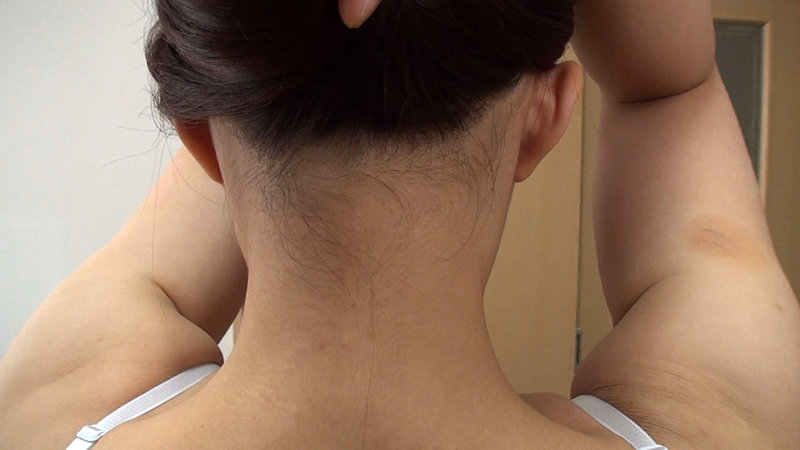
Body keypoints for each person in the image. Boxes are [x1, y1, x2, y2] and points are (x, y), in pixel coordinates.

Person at [1, 0, 798, 448]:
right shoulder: (725, 424)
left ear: (199, 137)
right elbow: (671, 89)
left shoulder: (52, 406)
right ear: (547, 116)